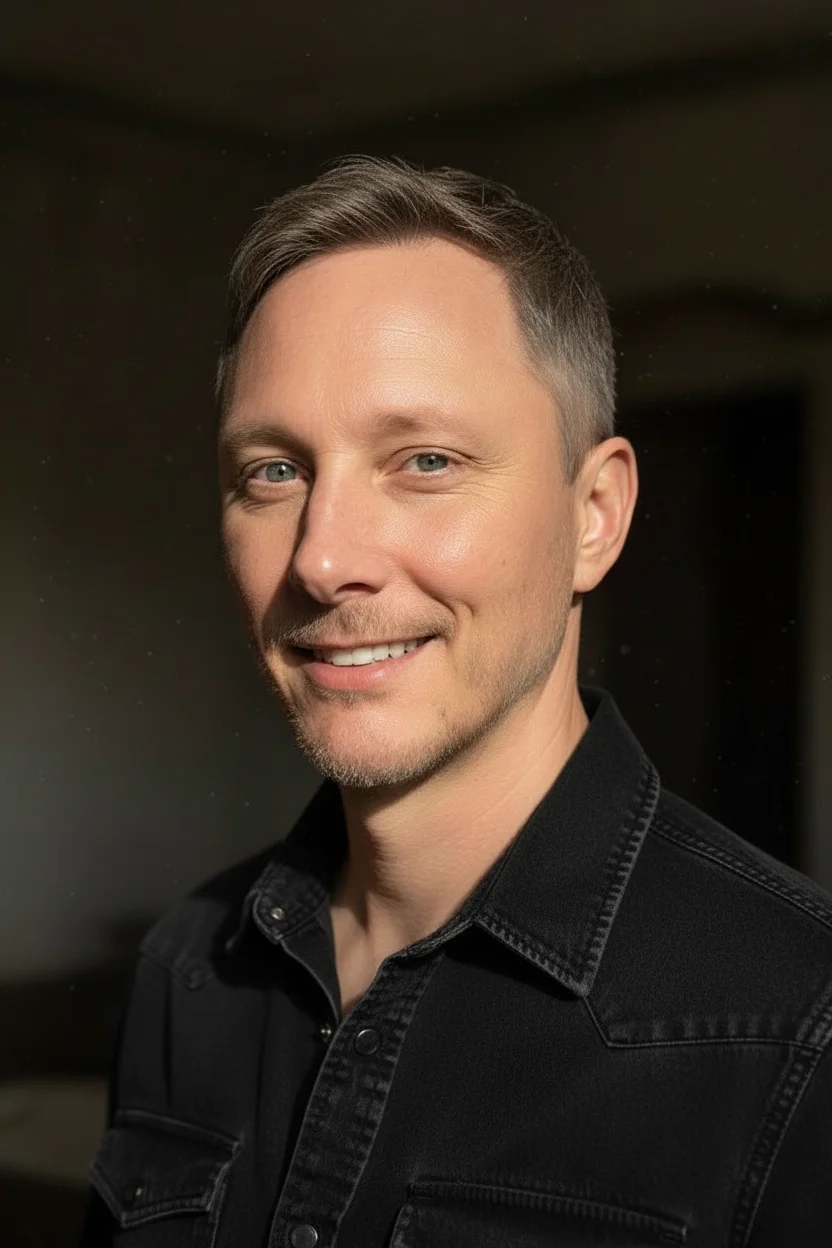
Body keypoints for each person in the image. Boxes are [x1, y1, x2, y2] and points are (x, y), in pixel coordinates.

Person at [80, 156, 832, 1247]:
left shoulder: (798, 1026)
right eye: (273, 472)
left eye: (424, 460)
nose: (324, 559)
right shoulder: (186, 970)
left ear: (595, 516)